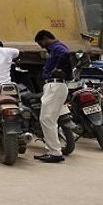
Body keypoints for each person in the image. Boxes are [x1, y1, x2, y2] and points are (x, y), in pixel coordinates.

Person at [33, 30, 72, 163]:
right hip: (58, 86)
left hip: (54, 86)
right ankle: (54, 148)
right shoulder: (57, 47)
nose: (41, 46)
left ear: (45, 38)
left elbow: (65, 54)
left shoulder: (56, 47)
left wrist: (57, 68)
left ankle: (55, 152)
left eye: (40, 43)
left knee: (46, 119)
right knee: (51, 120)